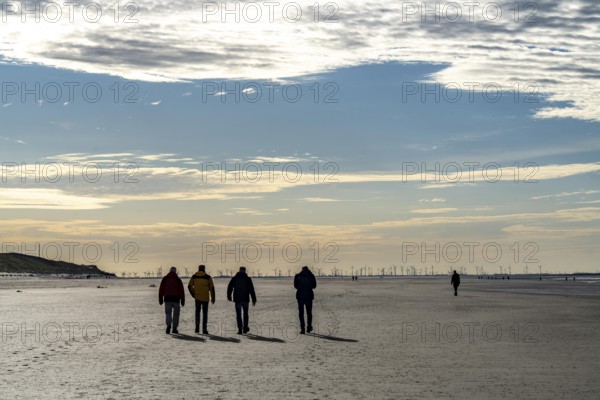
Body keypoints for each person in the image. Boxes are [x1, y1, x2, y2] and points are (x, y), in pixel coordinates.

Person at [227, 266, 257, 335]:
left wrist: (229, 296)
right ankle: (245, 328)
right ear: (245, 271)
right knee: (245, 314)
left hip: (237, 299)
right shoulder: (248, 279)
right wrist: (254, 299)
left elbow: (230, 287)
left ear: (239, 270)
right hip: (245, 299)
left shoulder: (235, 278)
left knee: (238, 314)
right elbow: (251, 290)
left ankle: (240, 329)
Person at [188, 265, 215, 334]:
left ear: (198, 269)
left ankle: (197, 328)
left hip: (197, 298)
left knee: (197, 313)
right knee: (205, 314)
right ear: (204, 269)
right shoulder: (208, 277)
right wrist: (213, 298)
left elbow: (189, 286)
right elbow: (212, 288)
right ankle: (204, 329)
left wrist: (193, 294)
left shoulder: (194, 276)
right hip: (205, 298)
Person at [159, 266, 185, 334]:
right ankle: (174, 328)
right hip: (176, 299)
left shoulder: (165, 279)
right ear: (175, 271)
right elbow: (181, 291)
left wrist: (160, 299)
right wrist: (182, 300)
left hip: (167, 299)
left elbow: (161, 289)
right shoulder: (178, 279)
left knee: (168, 313)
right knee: (176, 314)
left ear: (169, 271)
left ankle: (168, 326)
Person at [294, 266, 317, 334]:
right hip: (309, 296)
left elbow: (295, 286)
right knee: (309, 313)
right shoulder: (311, 276)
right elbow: (314, 286)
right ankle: (309, 327)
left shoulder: (297, 276)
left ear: (302, 269)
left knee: (301, 313)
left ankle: (302, 329)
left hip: (300, 296)